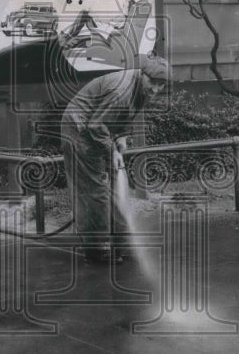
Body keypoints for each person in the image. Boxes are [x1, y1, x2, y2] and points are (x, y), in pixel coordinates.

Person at [60, 55, 170, 263]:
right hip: (78, 128)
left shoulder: (141, 89)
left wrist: (121, 138)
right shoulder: (121, 91)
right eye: (152, 82)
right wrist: (112, 151)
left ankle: (121, 243)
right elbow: (95, 125)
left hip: (98, 128)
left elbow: (122, 117)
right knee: (95, 189)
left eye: (161, 84)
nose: (155, 89)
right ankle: (97, 249)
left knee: (116, 185)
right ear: (142, 75)